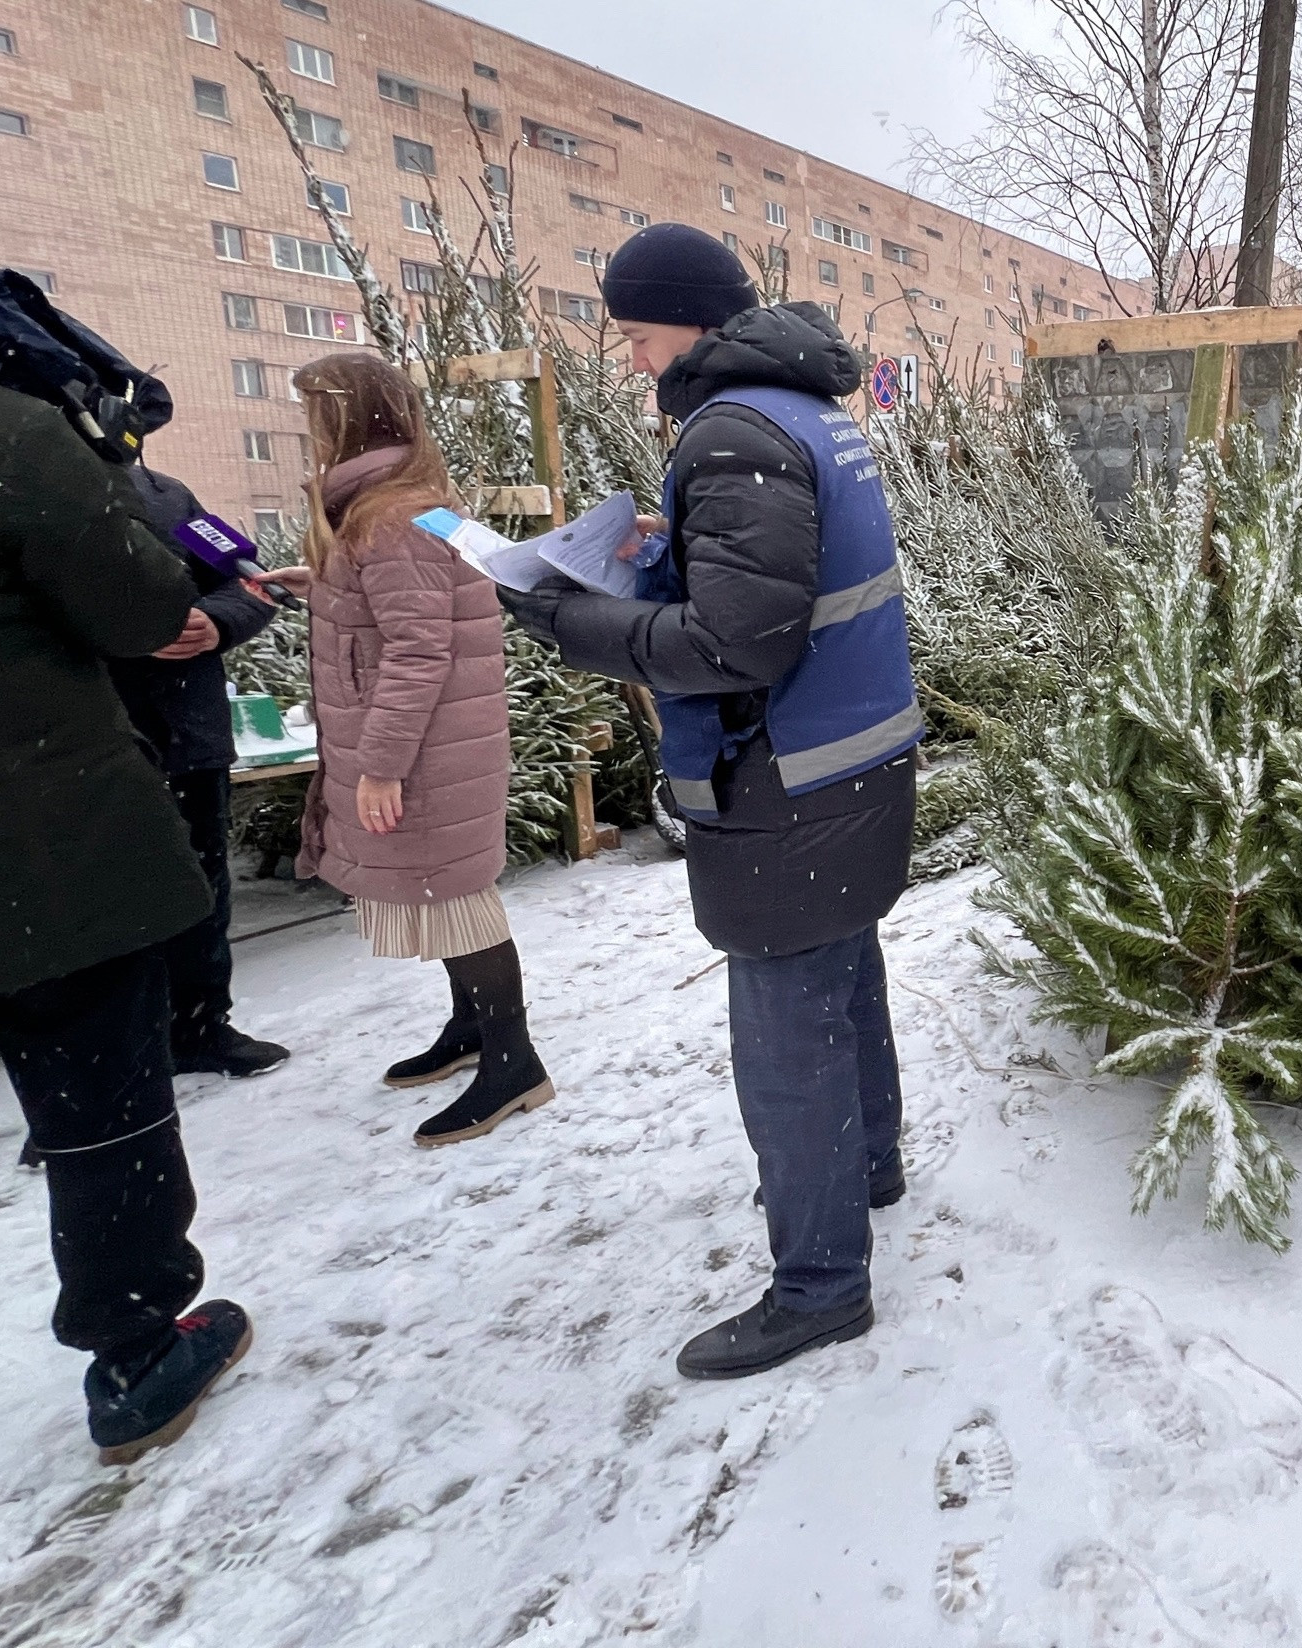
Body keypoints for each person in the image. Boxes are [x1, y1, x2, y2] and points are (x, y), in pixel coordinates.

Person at [497, 223, 918, 1381]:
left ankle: (820, 1285)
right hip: (854, 756)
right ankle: (866, 1165)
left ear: (686, 318)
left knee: (786, 1037)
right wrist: (666, 550)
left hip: (784, 777)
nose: (632, 360)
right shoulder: (804, 407)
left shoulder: (732, 432)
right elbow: (789, 580)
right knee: (842, 974)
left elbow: (737, 645)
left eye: (635, 335)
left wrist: (564, 615)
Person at [0, 379, 254, 1464]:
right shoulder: (23, 439)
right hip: (44, 843)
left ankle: (207, 1020)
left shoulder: (176, 490)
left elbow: (228, 588)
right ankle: (137, 1345)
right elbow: (141, 600)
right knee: (105, 1102)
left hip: (153, 760)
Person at [260, 351, 551, 1147]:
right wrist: (317, 582)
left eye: (315, 411)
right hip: (433, 742)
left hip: (423, 752)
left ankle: (513, 1063)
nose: (308, 427)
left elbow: (418, 651)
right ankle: (472, 1031)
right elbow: (403, 612)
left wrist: (381, 766)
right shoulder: (395, 507)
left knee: (458, 898)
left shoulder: (389, 517)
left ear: (347, 418)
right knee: (444, 893)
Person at [106, 375, 290, 1077]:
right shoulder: (37, 510)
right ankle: (107, 1065)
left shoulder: (172, 500)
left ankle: (202, 1027)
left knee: (201, 888)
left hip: (188, 736)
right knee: (105, 905)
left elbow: (254, 582)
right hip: (88, 747)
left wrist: (216, 623)